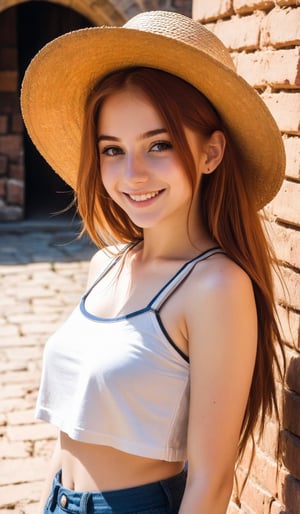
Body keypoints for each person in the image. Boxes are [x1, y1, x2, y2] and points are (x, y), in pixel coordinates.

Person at [20, 10, 286, 514]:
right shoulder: (107, 264)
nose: (132, 174)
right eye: (112, 150)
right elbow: (68, 440)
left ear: (211, 153)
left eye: (158, 145)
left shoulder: (215, 285)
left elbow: (210, 481)